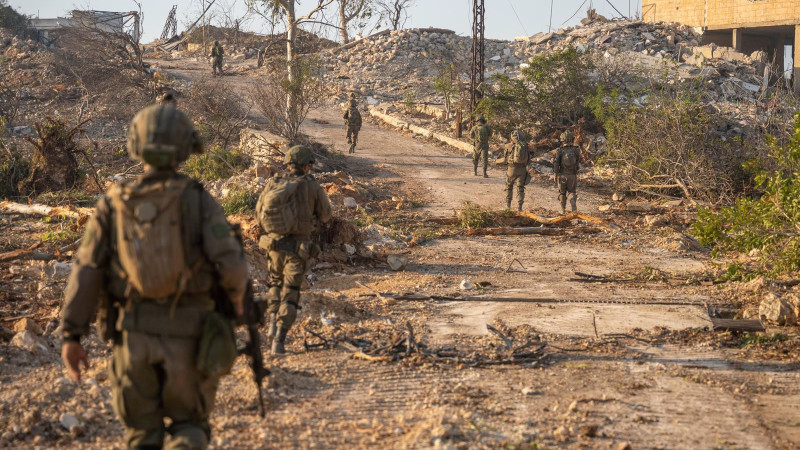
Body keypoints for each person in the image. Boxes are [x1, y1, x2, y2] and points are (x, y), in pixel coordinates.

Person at [60, 102, 250, 450]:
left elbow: (86, 271)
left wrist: (72, 334)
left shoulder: (113, 203)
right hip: (189, 339)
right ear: (186, 147)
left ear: (136, 144)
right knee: (190, 426)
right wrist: (236, 302)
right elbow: (232, 265)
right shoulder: (198, 201)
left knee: (141, 435)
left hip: (133, 339)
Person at [256, 145, 331, 354]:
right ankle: (279, 341)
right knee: (291, 293)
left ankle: (272, 321)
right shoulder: (312, 186)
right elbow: (326, 215)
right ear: (307, 166)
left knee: (275, 286)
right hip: (299, 249)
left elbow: (258, 215)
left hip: (274, 246)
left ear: (288, 164)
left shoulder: (274, 183)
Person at [553, 130, 581, 214]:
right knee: (572, 192)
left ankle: (563, 211)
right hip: (572, 175)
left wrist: (555, 174)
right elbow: (578, 162)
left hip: (562, 176)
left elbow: (556, 163)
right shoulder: (576, 150)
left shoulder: (560, 150)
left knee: (562, 193)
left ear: (563, 140)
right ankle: (573, 207)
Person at [504, 129, 530, 211]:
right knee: (520, 188)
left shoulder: (508, 146)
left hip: (512, 169)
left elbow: (505, 158)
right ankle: (520, 207)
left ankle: (508, 206)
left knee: (509, 186)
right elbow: (529, 158)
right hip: (522, 169)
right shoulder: (525, 145)